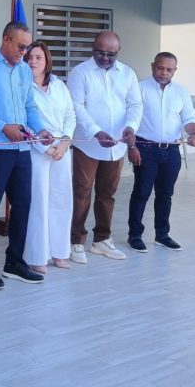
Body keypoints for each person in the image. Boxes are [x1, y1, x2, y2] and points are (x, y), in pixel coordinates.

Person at [0, 21, 53, 290]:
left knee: (23, 205)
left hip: (22, 149)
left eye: (27, 48)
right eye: (20, 46)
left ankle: (15, 262)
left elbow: (29, 106)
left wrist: (41, 128)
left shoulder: (25, 72)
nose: (24, 53)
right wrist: (2, 126)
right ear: (5, 40)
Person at [67, 31, 142, 264]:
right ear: (93, 49)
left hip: (116, 145)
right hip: (88, 144)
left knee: (107, 194)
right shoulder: (80, 73)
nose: (105, 57)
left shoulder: (127, 73)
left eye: (111, 54)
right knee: (81, 193)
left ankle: (101, 240)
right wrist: (96, 132)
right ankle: (75, 241)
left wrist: (130, 127)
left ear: (118, 52)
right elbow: (76, 107)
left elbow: (135, 104)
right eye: (101, 52)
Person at [127, 52, 195, 252]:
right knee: (141, 193)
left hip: (172, 150)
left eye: (169, 69)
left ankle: (162, 235)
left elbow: (189, 117)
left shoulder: (181, 92)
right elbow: (132, 118)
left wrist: (194, 134)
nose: (164, 72)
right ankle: (135, 235)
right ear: (153, 66)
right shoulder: (139, 88)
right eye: (160, 68)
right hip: (146, 148)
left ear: (175, 71)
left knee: (165, 194)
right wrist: (131, 146)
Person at [22, 41, 76, 272]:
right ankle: (37, 257)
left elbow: (70, 115)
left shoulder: (59, 85)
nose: (33, 61)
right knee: (39, 202)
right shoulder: (22, 86)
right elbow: (24, 122)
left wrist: (64, 142)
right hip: (37, 151)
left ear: (46, 61)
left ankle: (60, 253)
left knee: (61, 201)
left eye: (38, 57)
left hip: (62, 150)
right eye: (29, 58)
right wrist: (46, 148)